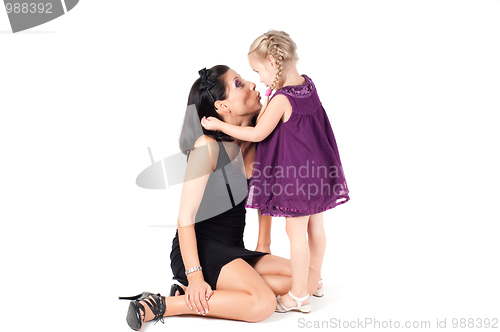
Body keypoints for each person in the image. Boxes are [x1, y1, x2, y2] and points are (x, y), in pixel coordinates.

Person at [119, 65, 320, 331]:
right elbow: (185, 218)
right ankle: (164, 304)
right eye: (238, 83)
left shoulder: (258, 142)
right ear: (222, 107)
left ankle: (199, 293)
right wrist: (197, 275)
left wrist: (263, 243)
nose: (251, 83)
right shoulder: (208, 147)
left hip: (233, 248)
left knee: (309, 278)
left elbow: (263, 200)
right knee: (262, 304)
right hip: (199, 250)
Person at [201, 31, 350, 313]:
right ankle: (313, 279)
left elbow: (257, 134)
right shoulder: (308, 85)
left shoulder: (282, 99)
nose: (259, 79)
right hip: (318, 170)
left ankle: (298, 295)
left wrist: (220, 126)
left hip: (297, 177)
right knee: (316, 228)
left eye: (258, 71)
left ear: (272, 62)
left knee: (295, 233)